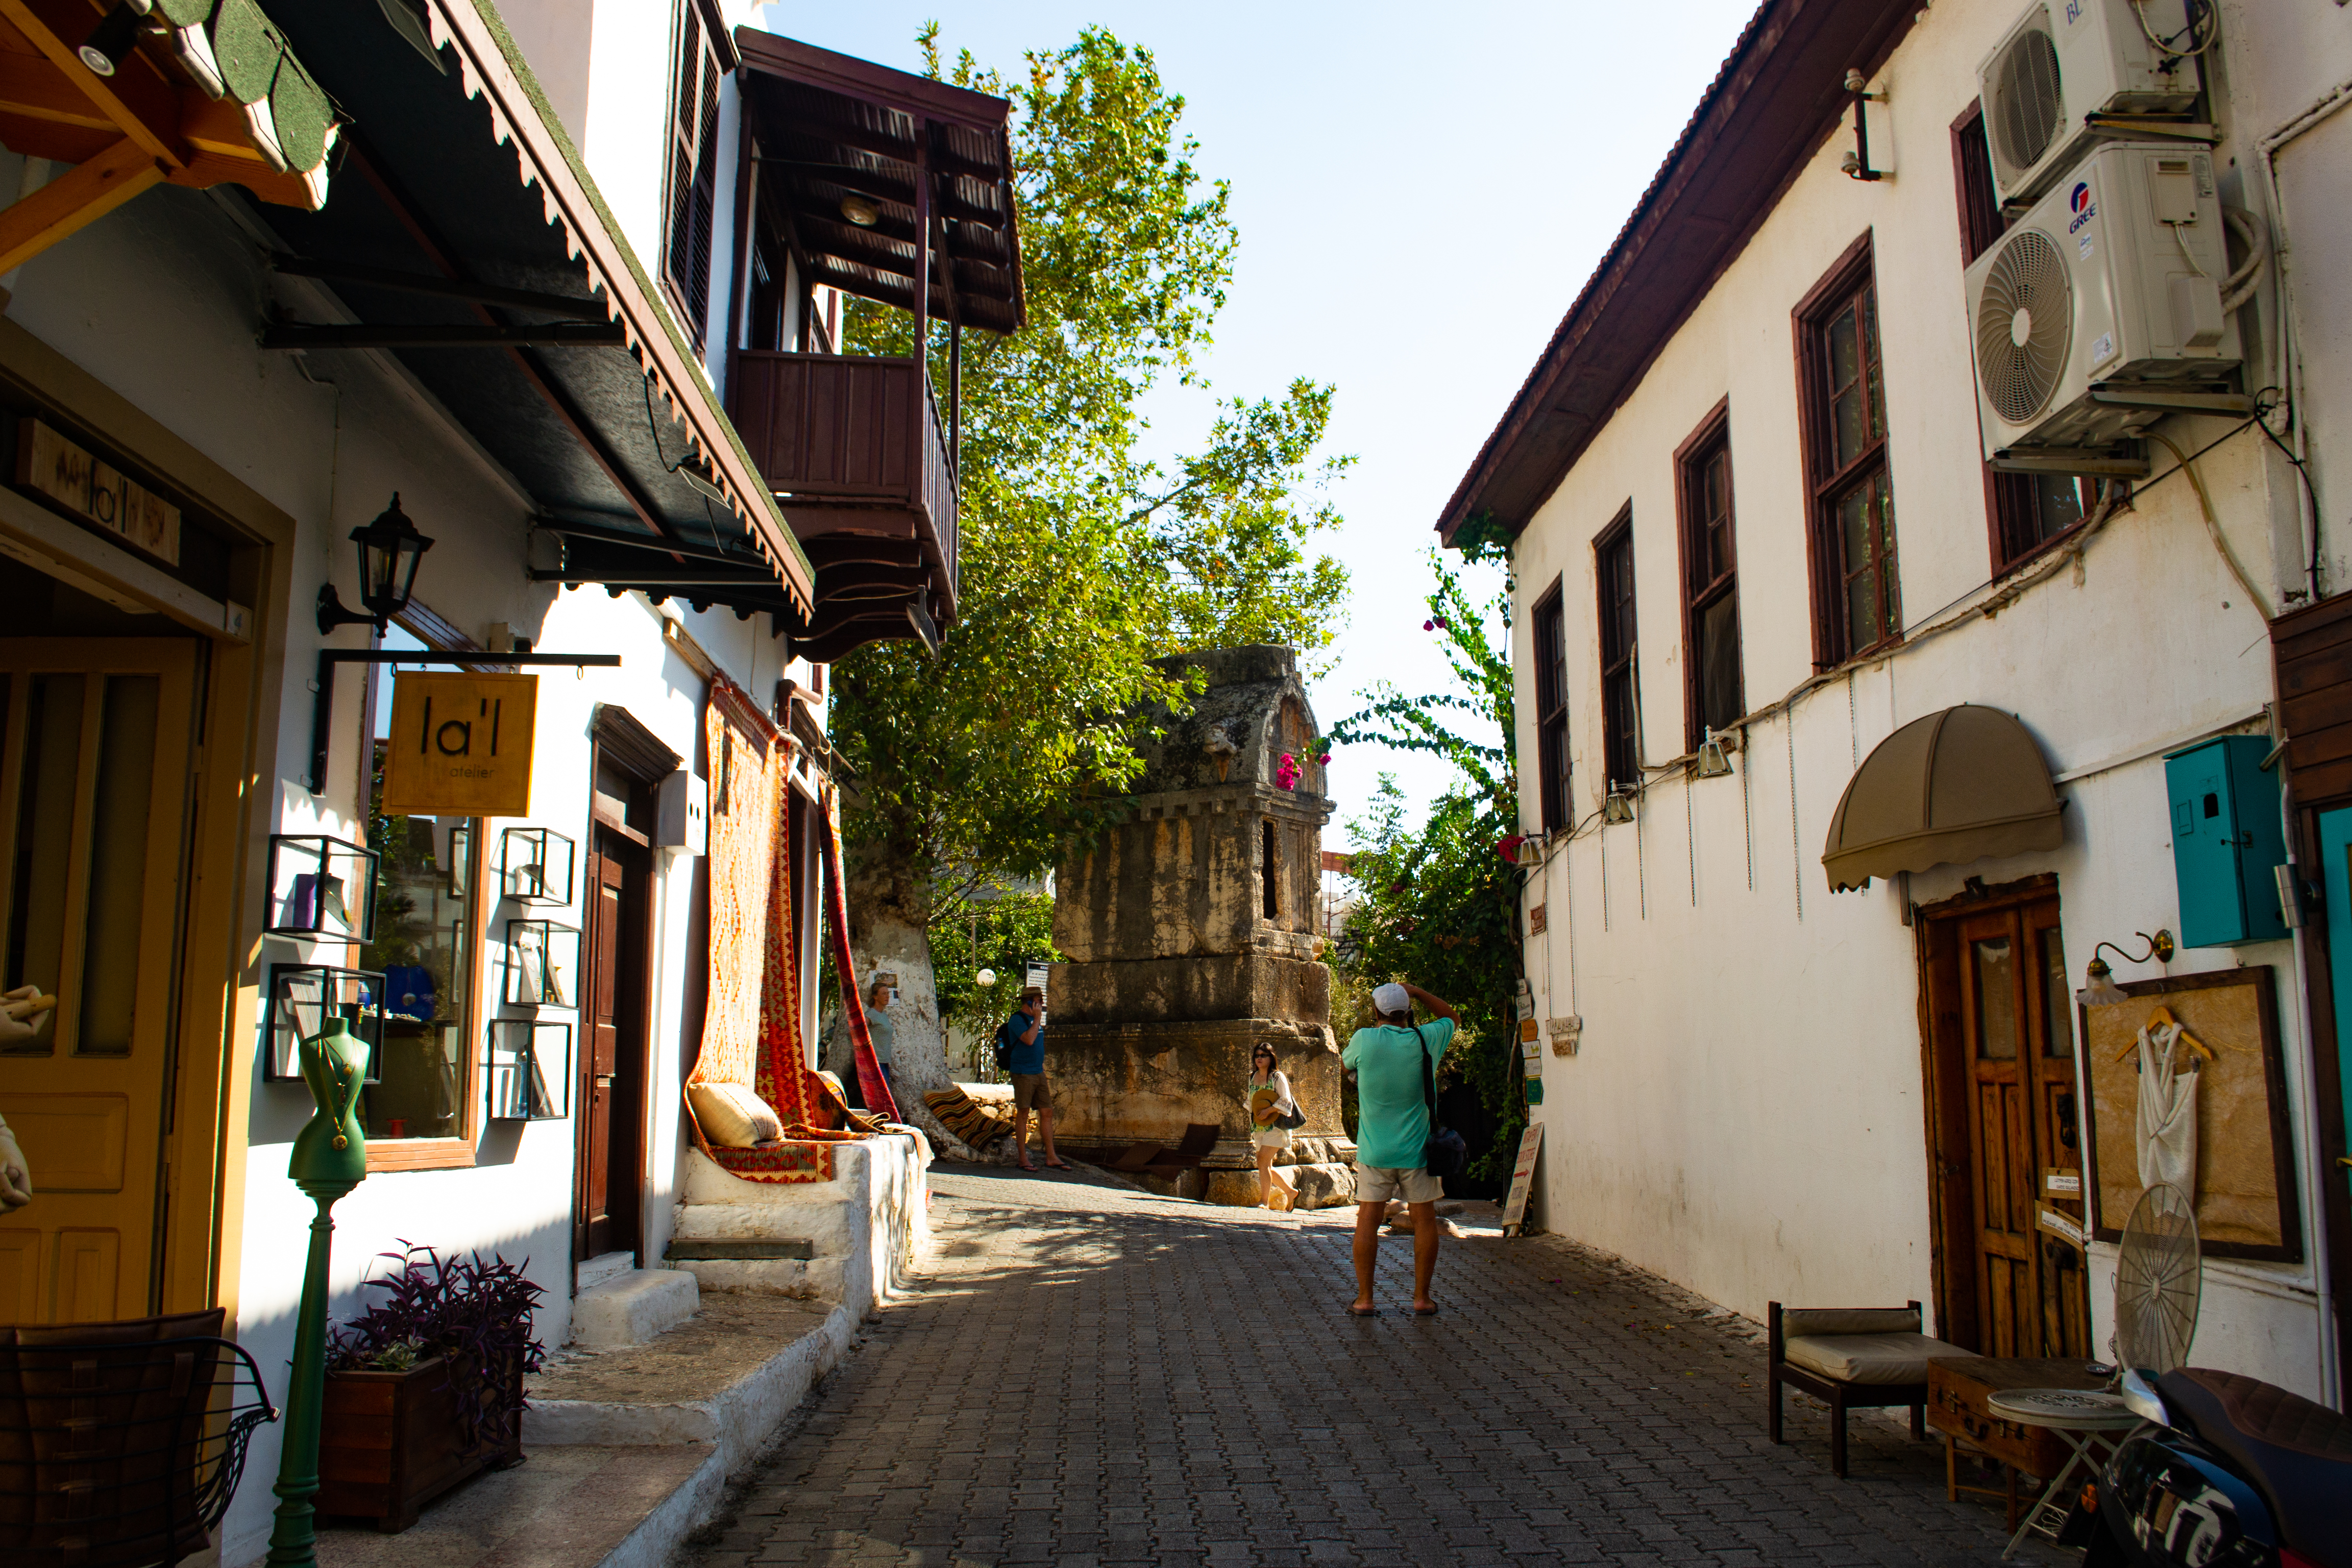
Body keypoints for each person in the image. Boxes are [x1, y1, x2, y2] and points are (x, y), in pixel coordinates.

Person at [1341, 979, 1457, 1316]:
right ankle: (1422, 1298)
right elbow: (1451, 1016)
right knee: (1424, 1221)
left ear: (1375, 1011)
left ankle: (1364, 1299)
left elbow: (1347, 1065)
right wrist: (1420, 991)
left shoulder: (1365, 1039)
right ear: (1408, 1011)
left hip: (1375, 1151)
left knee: (1367, 1220)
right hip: (1418, 1151)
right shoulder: (1426, 1040)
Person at [1003, 986, 1068, 1171]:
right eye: (1039, 1000)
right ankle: (1023, 1158)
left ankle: (1051, 1156)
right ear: (1030, 1002)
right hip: (1023, 1073)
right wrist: (1038, 1020)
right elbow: (1029, 1040)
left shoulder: (1035, 1020)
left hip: (1038, 1072)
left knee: (1047, 1111)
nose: (1042, 1003)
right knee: (1023, 1114)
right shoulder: (1017, 1020)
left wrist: (1037, 1020)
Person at [1245, 1043, 1298, 1211]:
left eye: (1263, 1055)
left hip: (1276, 1125)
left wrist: (1269, 1110)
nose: (1259, 1058)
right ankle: (1290, 1193)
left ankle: (1264, 1201)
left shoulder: (1277, 1077)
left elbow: (1286, 1101)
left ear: (1271, 1058)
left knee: (1262, 1160)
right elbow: (1251, 1101)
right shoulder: (1253, 1077)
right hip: (1260, 1125)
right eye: (1257, 1056)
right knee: (1265, 1165)